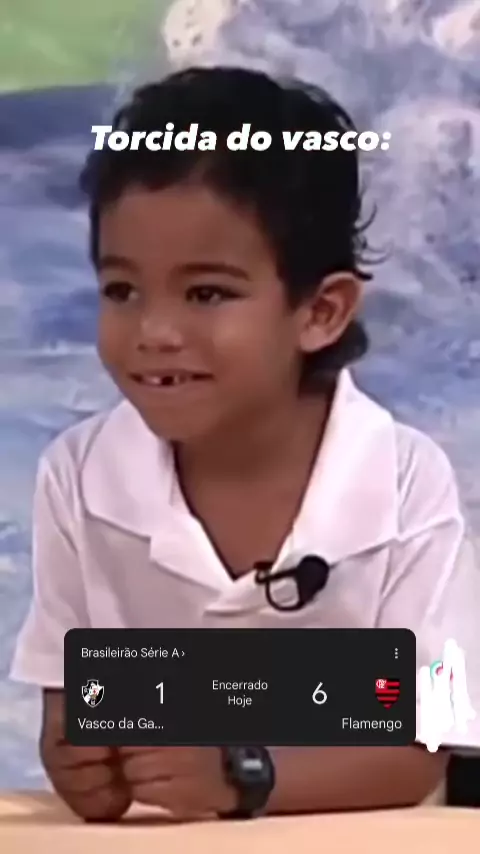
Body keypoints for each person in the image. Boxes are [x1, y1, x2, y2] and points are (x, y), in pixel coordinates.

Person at [10, 66, 480, 822]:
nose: (153, 332)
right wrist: (79, 764)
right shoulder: (77, 477)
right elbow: (75, 708)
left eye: (207, 293)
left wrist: (242, 776)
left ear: (321, 312)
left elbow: (422, 744)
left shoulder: (404, 484)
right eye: (122, 290)